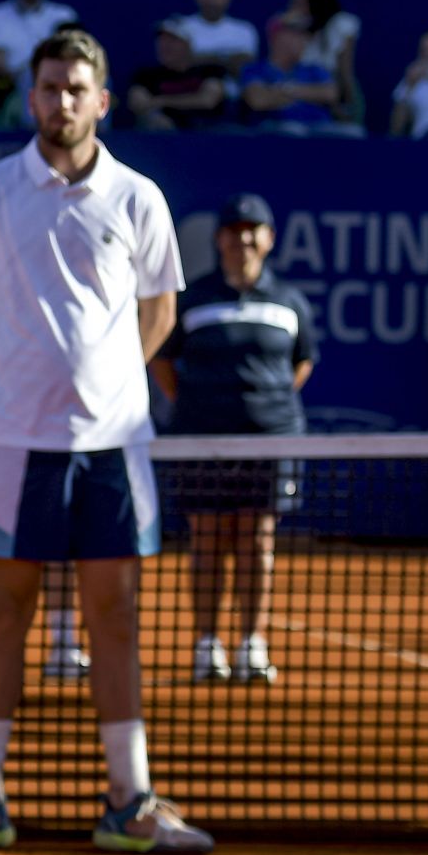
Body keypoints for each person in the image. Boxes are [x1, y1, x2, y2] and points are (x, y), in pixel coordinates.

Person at [0, 27, 213, 855]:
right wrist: (21, 381)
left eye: (76, 88)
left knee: (115, 615)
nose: (61, 102)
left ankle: (131, 799)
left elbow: (158, 311)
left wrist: (101, 379)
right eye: (49, 87)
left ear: (103, 100)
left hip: (114, 445)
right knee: (5, 615)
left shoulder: (140, 198)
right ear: (32, 97)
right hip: (13, 443)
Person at [151, 194, 314, 686]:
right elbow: (162, 359)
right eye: (233, 229)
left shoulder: (289, 301)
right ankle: (206, 645)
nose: (242, 238)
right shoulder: (193, 297)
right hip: (203, 440)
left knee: (257, 541)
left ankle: (250, 644)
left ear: (268, 239)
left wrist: (266, 406)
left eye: (253, 230)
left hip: (270, 443)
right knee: (207, 540)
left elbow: (301, 362)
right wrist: (197, 406)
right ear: (219, 238)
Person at [239, 15, 338, 133]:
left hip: (320, 134)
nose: (304, 41)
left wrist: (286, 90)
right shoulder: (255, 70)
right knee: (292, 130)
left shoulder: (313, 70)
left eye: (305, 36)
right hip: (276, 137)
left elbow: (331, 94)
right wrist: (310, 94)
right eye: (298, 35)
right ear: (279, 37)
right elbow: (258, 100)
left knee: (353, 132)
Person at [128, 20, 229, 130]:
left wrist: (161, 101)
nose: (164, 45)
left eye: (172, 40)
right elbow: (138, 104)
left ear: (188, 45)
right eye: (161, 39)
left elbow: (208, 101)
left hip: (208, 134)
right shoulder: (145, 75)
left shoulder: (209, 71)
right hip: (162, 137)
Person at [176, 0, 259, 77]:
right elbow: (179, 65)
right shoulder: (181, 27)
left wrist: (201, 59)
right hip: (191, 91)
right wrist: (226, 59)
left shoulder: (246, 31)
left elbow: (244, 69)